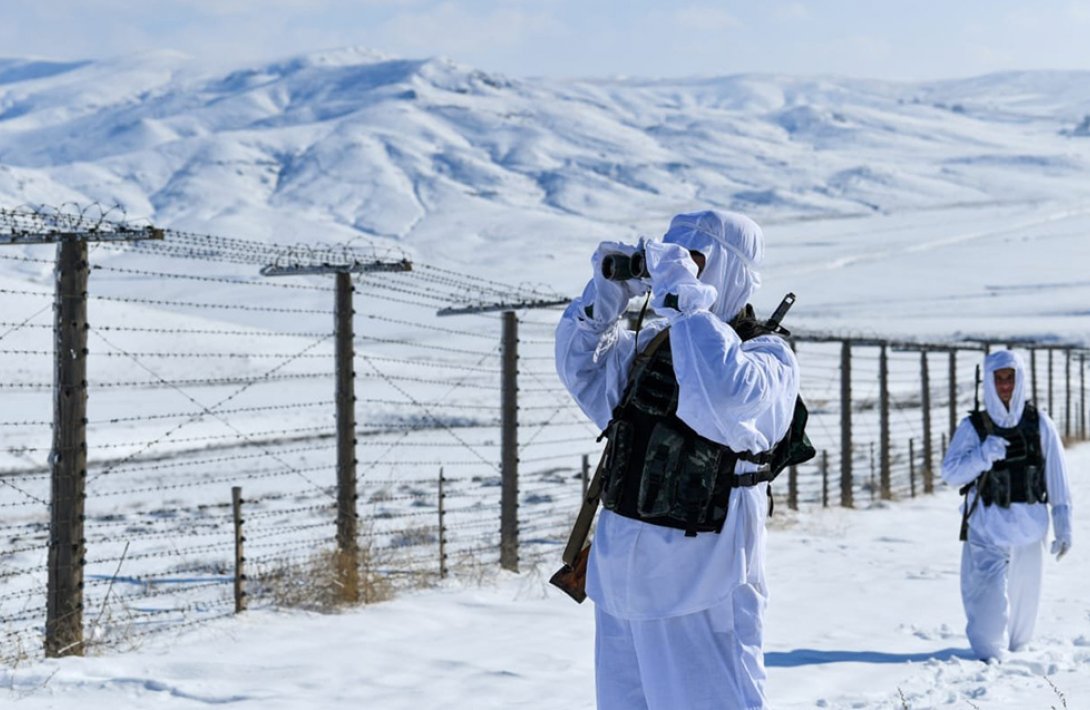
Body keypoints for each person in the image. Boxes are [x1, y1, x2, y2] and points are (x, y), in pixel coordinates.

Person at [555, 210, 799, 709]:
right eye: (675, 256)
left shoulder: (768, 358)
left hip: (700, 584)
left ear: (729, 272)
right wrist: (604, 297)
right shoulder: (654, 346)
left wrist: (687, 304)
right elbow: (583, 372)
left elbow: (720, 400)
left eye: (696, 260)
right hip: (622, 579)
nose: (682, 267)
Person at [941, 349, 1073, 662]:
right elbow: (950, 474)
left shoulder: (1040, 424)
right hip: (986, 526)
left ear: (1020, 379)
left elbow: (1057, 478)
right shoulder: (973, 427)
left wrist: (1064, 526)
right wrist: (982, 455)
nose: (1004, 386)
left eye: (1010, 379)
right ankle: (990, 656)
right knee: (987, 622)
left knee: (1021, 625)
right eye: (998, 379)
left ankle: (1015, 660)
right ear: (987, 381)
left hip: (1029, 526)